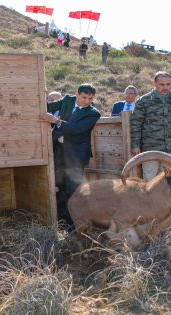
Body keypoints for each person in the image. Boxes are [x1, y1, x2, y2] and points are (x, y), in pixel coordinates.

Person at [40, 84, 101, 230]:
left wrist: (56, 121)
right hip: (58, 151)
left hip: (76, 155)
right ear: (77, 94)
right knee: (58, 186)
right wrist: (40, 96)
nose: (87, 101)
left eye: (90, 99)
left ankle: (75, 225)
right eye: (84, 97)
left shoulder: (93, 113)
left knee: (73, 190)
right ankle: (62, 221)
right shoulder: (67, 100)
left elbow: (76, 129)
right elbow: (46, 107)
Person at [131, 72, 171, 182]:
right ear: (154, 83)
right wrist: (135, 145)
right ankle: (151, 200)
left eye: (168, 84)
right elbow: (136, 124)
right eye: (162, 84)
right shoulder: (143, 101)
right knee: (150, 180)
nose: (165, 87)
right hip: (151, 147)